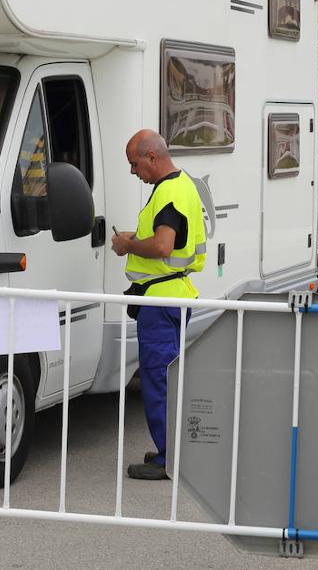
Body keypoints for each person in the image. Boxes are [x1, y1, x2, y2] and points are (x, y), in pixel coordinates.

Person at [111, 130, 207, 481]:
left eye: (134, 164)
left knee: (157, 379)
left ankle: (169, 459)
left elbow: (164, 246)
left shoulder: (168, 191)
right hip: (174, 296)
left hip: (161, 301)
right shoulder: (184, 185)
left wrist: (127, 245)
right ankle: (173, 450)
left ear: (152, 156)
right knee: (168, 378)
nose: (133, 171)